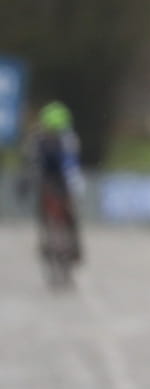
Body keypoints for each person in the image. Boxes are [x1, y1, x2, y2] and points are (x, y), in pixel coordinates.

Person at [22, 101, 85, 287]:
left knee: (70, 214)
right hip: (48, 179)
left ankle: (73, 247)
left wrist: (73, 182)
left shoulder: (67, 139)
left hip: (61, 179)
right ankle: (54, 243)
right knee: (48, 212)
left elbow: (70, 164)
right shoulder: (38, 139)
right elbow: (33, 164)